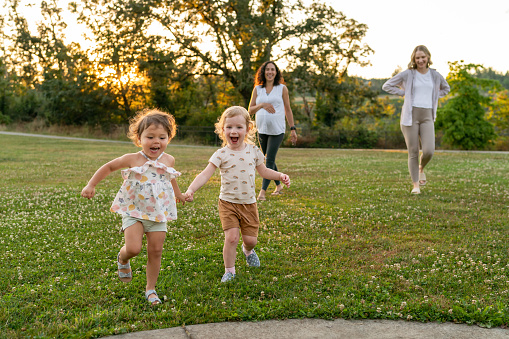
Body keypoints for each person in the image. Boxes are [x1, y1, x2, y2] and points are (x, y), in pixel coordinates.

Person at [81, 108, 186, 305]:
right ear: (139, 138)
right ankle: (122, 258)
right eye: (150, 137)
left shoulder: (169, 160)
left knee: (156, 251)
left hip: (158, 213)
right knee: (134, 248)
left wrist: (179, 194)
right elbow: (109, 167)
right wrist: (91, 184)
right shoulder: (132, 159)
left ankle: (151, 289)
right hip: (134, 211)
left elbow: (169, 178)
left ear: (169, 138)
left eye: (162, 137)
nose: (156, 142)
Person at [184, 106, 290, 283]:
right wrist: (190, 190)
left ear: (248, 129)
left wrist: (279, 175)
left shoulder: (254, 151)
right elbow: (205, 174)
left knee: (251, 240)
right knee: (231, 237)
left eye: (239, 127)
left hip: (249, 203)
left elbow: (263, 171)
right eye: (229, 127)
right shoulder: (221, 154)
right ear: (222, 130)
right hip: (228, 203)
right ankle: (229, 271)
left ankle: (247, 250)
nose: (234, 131)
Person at [382, 45, 450, 194]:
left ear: (428, 58)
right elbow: (386, 86)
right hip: (410, 116)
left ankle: (421, 167)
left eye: (423, 57)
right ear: (414, 59)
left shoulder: (435, 75)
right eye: (417, 58)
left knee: (429, 151)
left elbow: (446, 89)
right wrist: (402, 93)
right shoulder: (408, 74)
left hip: (427, 116)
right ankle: (415, 186)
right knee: (413, 151)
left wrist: (434, 96)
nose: (420, 60)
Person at [248, 61, 297, 201]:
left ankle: (262, 192)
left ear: (276, 73)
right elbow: (250, 110)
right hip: (262, 129)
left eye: (272, 70)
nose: (270, 72)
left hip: (277, 130)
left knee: (268, 159)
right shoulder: (258, 89)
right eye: (267, 70)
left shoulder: (282, 88)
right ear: (263, 72)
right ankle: (278, 185)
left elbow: (288, 109)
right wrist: (262, 104)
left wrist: (292, 128)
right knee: (269, 158)